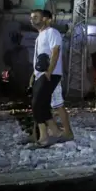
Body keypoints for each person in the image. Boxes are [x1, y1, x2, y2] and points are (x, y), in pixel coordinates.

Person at [30, 9, 64, 147]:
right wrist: (33, 74)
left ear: (46, 19)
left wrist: (49, 72)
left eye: (36, 17)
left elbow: (55, 52)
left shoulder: (52, 32)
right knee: (42, 104)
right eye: (31, 17)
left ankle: (44, 137)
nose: (33, 20)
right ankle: (56, 132)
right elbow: (38, 58)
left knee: (36, 104)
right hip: (40, 74)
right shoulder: (40, 36)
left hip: (50, 73)